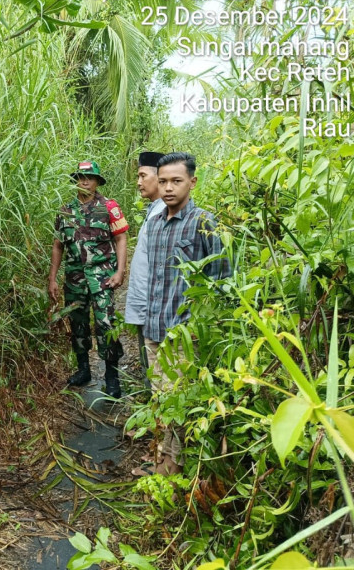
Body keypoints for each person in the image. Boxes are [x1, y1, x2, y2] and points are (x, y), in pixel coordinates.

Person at [140, 152, 229, 475]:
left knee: (178, 402)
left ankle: (173, 468)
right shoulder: (155, 224)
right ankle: (162, 458)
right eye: (163, 181)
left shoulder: (203, 223)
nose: (168, 188)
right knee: (160, 400)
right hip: (155, 328)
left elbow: (221, 280)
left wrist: (198, 326)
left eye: (176, 181)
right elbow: (154, 278)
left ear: (192, 182)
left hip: (183, 334)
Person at [48, 160, 129, 398]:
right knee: (78, 323)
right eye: (81, 178)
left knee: (106, 324)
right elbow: (58, 245)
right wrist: (52, 278)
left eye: (90, 178)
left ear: (97, 182)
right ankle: (83, 369)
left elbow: (121, 238)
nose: (85, 182)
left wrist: (120, 271)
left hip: (102, 277)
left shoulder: (109, 207)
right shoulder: (65, 211)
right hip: (74, 279)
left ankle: (112, 376)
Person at [124, 151, 166, 388]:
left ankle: (155, 406)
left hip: (154, 306)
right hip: (146, 301)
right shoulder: (154, 210)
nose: (139, 182)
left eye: (143, 176)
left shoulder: (163, 214)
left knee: (156, 367)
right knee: (149, 363)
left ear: (160, 177)